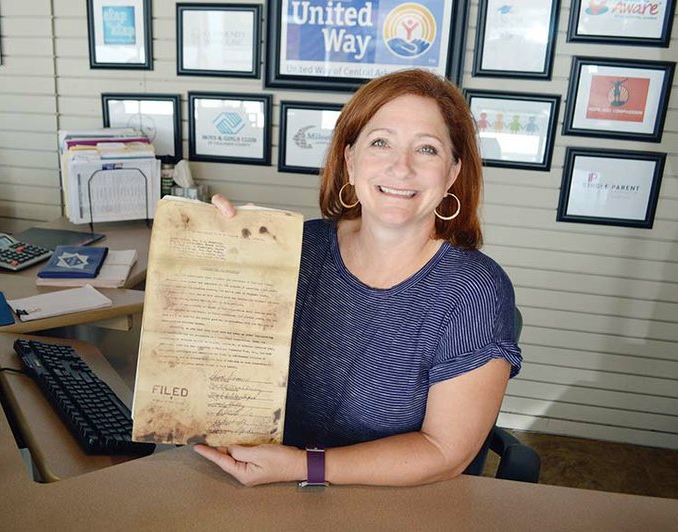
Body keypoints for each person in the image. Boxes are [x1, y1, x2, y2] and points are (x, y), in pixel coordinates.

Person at [194, 68, 521, 487]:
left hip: (391, 506)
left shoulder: (474, 289)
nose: (400, 168)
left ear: (453, 174)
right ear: (350, 160)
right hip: (257, 486)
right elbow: (219, 365)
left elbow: (444, 451)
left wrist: (303, 467)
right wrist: (215, 256)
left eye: (427, 149)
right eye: (380, 142)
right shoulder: (297, 249)